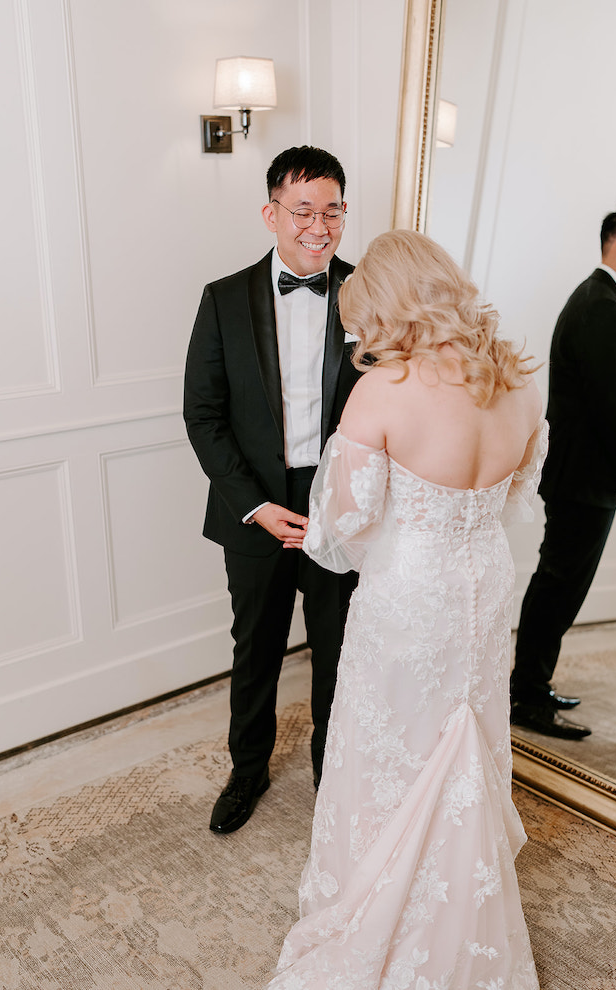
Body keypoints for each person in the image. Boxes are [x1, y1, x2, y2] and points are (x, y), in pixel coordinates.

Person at [268, 229, 545, 989]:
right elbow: (517, 496)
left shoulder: (384, 391)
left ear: (395, 307)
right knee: (468, 733)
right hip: (486, 585)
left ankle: (381, 911)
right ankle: (460, 904)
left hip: (411, 595)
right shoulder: (520, 380)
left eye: (365, 318)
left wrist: (320, 528)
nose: (361, 336)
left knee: (390, 748)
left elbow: (340, 527)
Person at [184, 146, 359, 835]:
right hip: (254, 504)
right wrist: (254, 506)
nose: (319, 226)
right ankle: (247, 771)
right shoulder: (223, 298)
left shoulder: (368, 290)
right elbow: (203, 414)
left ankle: (334, 777)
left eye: (333, 210)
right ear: (272, 214)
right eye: (303, 210)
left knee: (339, 647)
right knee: (254, 649)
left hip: (339, 500)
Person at [510, 203, 616, 741]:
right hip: (584, 477)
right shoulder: (601, 306)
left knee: (560, 585)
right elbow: (611, 403)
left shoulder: (602, 301)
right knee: (560, 586)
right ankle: (528, 696)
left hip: (585, 475)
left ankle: (531, 687)